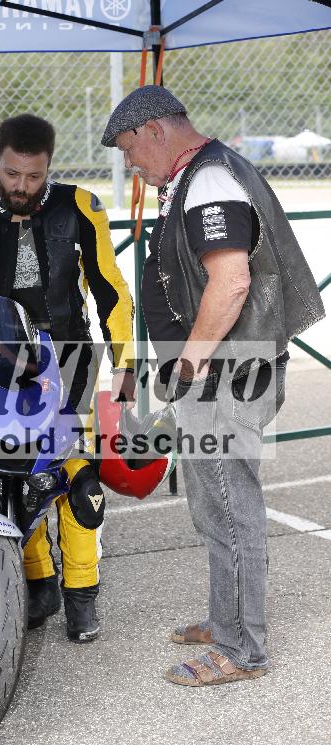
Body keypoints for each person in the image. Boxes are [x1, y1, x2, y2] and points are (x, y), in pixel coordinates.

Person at [101, 86, 325, 685]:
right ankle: (227, 618)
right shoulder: (205, 175)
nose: (130, 165)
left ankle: (240, 648)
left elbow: (229, 284)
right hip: (228, 371)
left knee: (229, 508)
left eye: (129, 150)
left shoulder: (209, 181)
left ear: (154, 130)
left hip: (224, 374)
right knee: (214, 504)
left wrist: (187, 365)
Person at [0, 114, 135, 642]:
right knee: (11, 476)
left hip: (70, 356)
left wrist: (127, 363)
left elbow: (111, 289)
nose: (21, 187)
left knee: (78, 478)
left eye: (33, 176)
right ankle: (37, 583)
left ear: (49, 167)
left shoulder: (80, 207)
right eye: (11, 175)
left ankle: (82, 594)